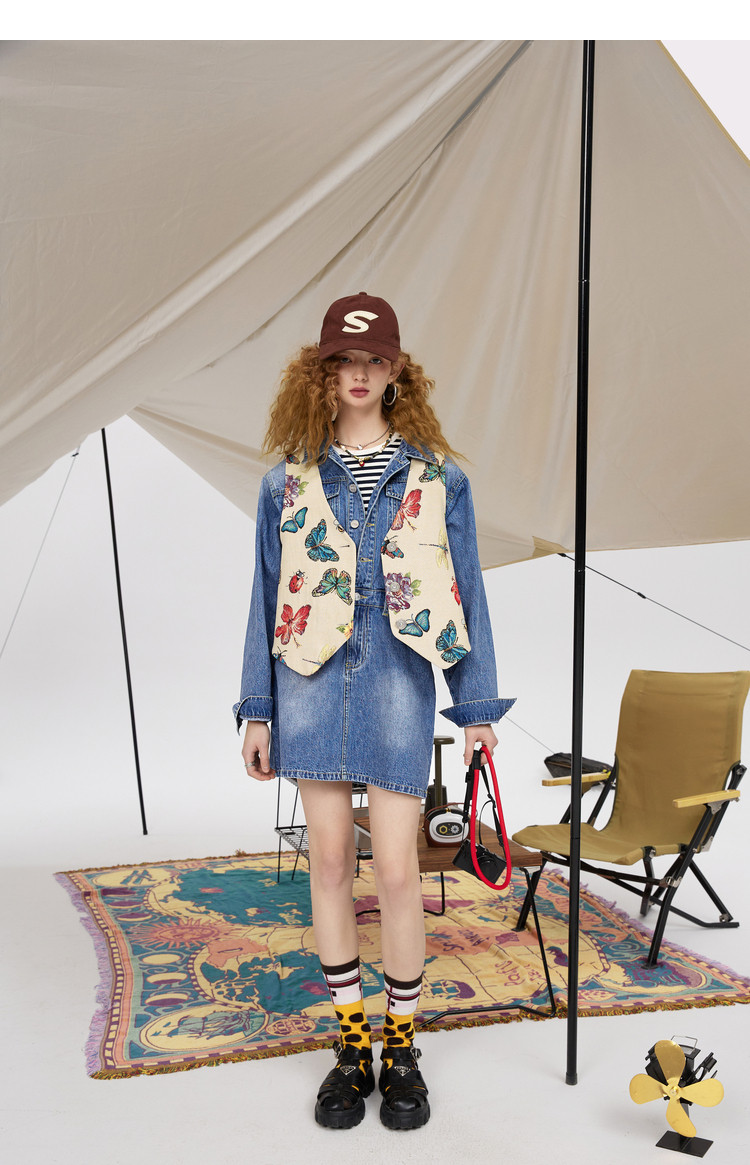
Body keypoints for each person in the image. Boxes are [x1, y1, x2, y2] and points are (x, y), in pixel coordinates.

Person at [234, 293, 511, 1131]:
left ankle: (402, 1046)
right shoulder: (284, 481)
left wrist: (475, 705)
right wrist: (256, 710)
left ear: (396, 371)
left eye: (374, 360)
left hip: (398, 680)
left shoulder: (439, 478)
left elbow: (466, 589)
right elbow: (264, 595)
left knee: (395, 871)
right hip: (308, 679)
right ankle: (351, 1044)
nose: (359, 373)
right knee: (328, 864)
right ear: (321, 373)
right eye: (344, 361)